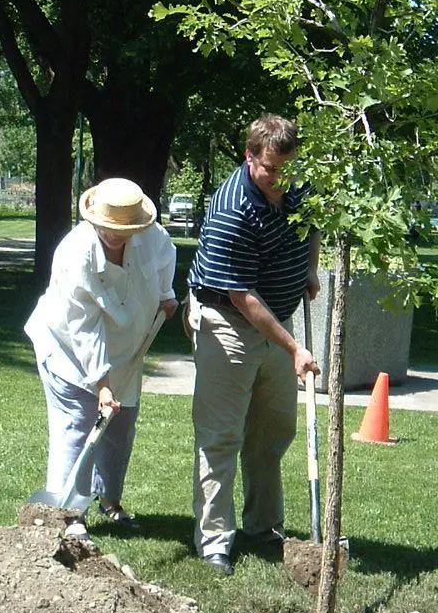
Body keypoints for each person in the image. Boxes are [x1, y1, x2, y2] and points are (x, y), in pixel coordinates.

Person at [185, 115, 320, 576]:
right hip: (227, 321)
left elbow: (313, 224)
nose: (279, 180)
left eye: (287, 169)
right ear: (249, 156)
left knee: (272, 431)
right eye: (270, 169)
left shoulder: (297, 185)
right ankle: (215, 541)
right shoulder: (233, 208)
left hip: (276, 323)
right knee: (221, 435)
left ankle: (263, 526)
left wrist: (309, 268)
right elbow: (242, 296)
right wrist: (294, 348)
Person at [25, 178, 177, 535]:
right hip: (69, 353)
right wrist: (102, 386)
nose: (113, 235)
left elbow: (164, 263)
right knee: (77, 425)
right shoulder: (75, 255)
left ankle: (110, 501)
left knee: (121, 427)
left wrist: (166, 294)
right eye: (107, 228)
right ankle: (67, 515)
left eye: (121, 230)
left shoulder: (153, 237)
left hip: (126, 352)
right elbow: (84, 329)